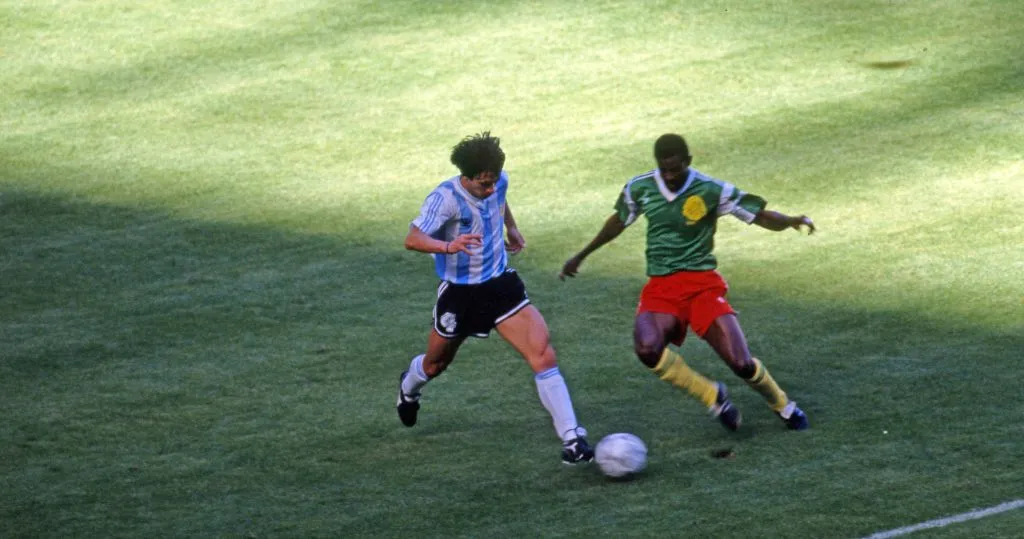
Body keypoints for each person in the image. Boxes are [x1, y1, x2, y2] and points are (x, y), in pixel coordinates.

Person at [559, 133, 814, 432]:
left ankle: (783, 405)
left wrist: (792, 220)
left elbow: (758, 215)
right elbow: (618, 220)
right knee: (647, 348)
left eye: (675, 169)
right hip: (662, 288)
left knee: (742, 364)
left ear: (688, 162)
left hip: (703, 285)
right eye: (663, 170)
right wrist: (582, 254)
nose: (669, 177)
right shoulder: (640, 188)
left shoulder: (711, 189)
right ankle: (712, 395)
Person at [396, 132, 594, 464]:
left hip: (500, 285)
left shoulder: (497, 182)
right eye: (482, 185)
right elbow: (412, 239)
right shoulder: (444, 199)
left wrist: (511, 228)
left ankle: (572, 439)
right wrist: (448, 246)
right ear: (466, 176)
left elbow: (499, 201)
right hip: (460, 293)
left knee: (543, 354)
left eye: (493, 182)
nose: (490, 189)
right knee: (435, 364)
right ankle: (409, 387)